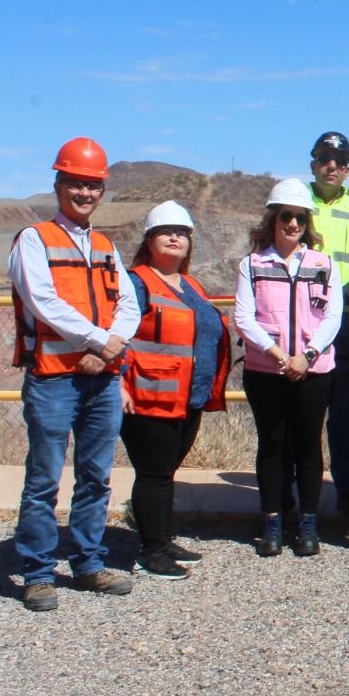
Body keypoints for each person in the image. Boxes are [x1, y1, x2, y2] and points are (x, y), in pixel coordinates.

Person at [8, 137, 140, 611]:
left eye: (93, 186)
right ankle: (39, 572)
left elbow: (128, 303)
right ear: (59, 184)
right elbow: (44, 302)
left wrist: (109, 349)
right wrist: (95, 341)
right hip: (53, 378)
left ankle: (88, 563)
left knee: (95, 476)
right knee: (44, 477)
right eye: (76, 184)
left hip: (102, 375)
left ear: (102, 191)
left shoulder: (105, 245)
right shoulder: (34, 240)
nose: (85, 193)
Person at [119, 201, 231, 580]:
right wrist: (118, 383)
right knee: (153, 473)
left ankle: (163, 538)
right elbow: (115, 336)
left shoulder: (190, 285)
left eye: (181, 233)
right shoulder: (136, 283)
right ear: (149, 240)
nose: (174, 238)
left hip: (188, 397)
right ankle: (151, 551)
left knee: (166, 471)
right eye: (165, 232)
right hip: (148, 397)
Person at [235, 178, 342, 557]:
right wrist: (279, 355)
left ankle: (309, 523)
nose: (292, 224)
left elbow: (332, 316)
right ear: (273, 218)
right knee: (272, 445)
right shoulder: (252, 265)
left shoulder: (323, 264)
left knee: (309, 445)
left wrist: (307, 356)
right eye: (286, 216)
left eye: (299, 217)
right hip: (267, 371)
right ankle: (273, 523)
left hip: (314, 371)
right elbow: (244, 318)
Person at [307, 130, 349, 518]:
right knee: (304, 416)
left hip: (347, 326)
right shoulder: (296, 203)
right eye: (324, 159)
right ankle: (304, 499)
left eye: (340, 162)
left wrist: (338, 295)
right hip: (303, 327)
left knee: (346, 414)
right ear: (313, 163)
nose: (332, 167)